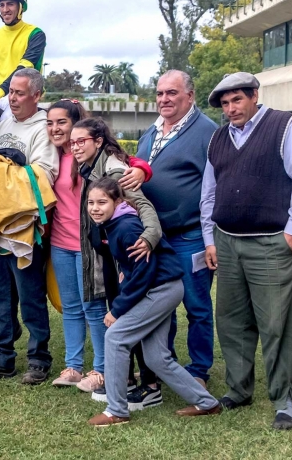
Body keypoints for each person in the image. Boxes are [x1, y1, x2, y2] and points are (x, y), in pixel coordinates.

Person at [201, 72, 292, 431]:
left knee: (275, 323)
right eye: (224, 103)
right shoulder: (218, 138)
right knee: (232, 321)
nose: (231, 108)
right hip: (226, 240)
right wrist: (209, 238)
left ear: (254, 95)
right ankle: (239, 389)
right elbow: (209, 192)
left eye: (237, 100)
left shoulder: (285, 126)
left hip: (270, 241)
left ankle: (284, 400)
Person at [85, 178, 221, 427]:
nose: (95, 207)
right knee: (157, 356)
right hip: (163, 286)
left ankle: (116, 410)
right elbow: (140, 263)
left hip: (161, 289)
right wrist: (129, 268)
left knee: (115, 337)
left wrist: (118, 309)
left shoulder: (126, 227)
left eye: (102, 202)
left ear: (118, 202)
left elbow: (147, 270)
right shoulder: (114, 224)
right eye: (91, 202)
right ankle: (207, 403)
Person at [46, 100, 152, 391]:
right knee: (70, 307)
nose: (57, 129)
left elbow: (125, 173)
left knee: (93, 306)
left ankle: (101, 369)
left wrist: (142, 168)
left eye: (63, 123)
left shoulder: (98, 157)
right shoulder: (53, 156)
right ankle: (73, 366)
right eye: (50, 123)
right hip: (60, 242)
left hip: (88, 246)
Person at [0, 68, 58, 385]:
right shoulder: (1, 124)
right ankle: (1, 357)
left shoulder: (43, 129)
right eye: (11, 92)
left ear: (37, 95)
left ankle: (38, 359)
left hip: (24, 226)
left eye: (19, 93)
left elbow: (44, 175)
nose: (13, 98)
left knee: (30, 295)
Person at [134, 70, 218, 390]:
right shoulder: (151, 132)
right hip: (155, 237)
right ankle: (161, 363)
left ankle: (198, 370)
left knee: (196, 306)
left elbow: (215, 186)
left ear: (190, 96)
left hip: (189, 235)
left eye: (172, 93)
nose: (164, 100)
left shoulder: (207, 133)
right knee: (159, 305)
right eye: (159, 93)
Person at [70, 117, 162, 400]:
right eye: (72, 142)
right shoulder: (89, 166)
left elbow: (142, 204)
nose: (74, 147)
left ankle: (150, 385)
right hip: (111, 257)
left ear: (98, 141)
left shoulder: (113, 168)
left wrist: (149, 237)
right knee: (123, 318)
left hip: (129, 255)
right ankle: (127, 379)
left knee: (132, 317)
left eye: (81, 141)